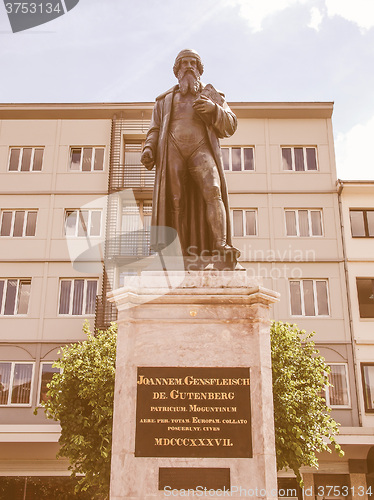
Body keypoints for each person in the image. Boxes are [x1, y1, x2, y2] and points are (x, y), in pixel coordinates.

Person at [141, 49, 239, 266]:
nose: (189, 66)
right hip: (173, 149)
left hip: (201, 149)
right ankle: (176, 252)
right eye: (183, 63)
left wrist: (214, 110)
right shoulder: (164, 100)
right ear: (177, 71)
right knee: (175, 200)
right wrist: (149, 148)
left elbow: (231, 124)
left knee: (213, 191)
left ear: (200, 70)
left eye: (193, 63)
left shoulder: (212, 95)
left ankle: (221, 245)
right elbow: (154, 129)